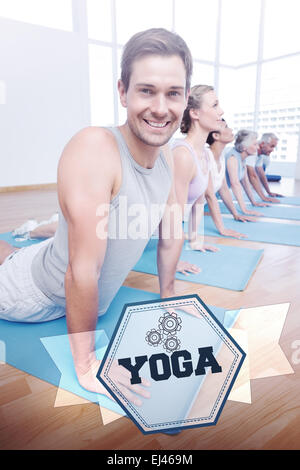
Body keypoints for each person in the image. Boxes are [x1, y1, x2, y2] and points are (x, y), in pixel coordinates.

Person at [0, 28, 194, 405]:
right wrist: (87, 363)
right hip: (33, 294)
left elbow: (171, 237)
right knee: (10, 265)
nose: (160, 107)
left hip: (52, 266)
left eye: (173, 93)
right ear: (122, 92)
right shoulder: (95, 147)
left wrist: (170, 298)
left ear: (186, 98)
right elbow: (82, 271)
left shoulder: (171, 158)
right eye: (146, 90)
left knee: (15, 251)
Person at [171, 85, 244, 254]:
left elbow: (198, 202)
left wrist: (195, 241)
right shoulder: (182, 155)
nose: (222, 111)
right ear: (195, 113)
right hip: (143, 230)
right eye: (215, 105)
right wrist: (172, 260)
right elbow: (172, 214)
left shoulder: (204, 154)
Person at [205, 119, 256, 226]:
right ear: (216, 136)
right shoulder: (205, 157)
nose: (231, 129)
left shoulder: (222, 157)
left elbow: (223, 189)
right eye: (226, 127)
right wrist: (221, 228)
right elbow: (210, 195)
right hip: (181, 213)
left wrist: (236, 214)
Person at [224, 129, 270, 216]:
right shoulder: (232, 158)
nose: (257, 147)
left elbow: (245, 183)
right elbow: (235, 184)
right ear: (244, 147)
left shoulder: (243, 159)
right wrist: (244, 210)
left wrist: (254, 202)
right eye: (255, 144)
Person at [255, 133, 283, 197]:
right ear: (262, 144)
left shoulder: (260, 155)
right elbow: (252, 176)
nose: (272, 150)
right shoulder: (252, 151)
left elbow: (261, 174)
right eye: (271, 146)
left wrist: (269, 192)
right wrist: (263, 197)